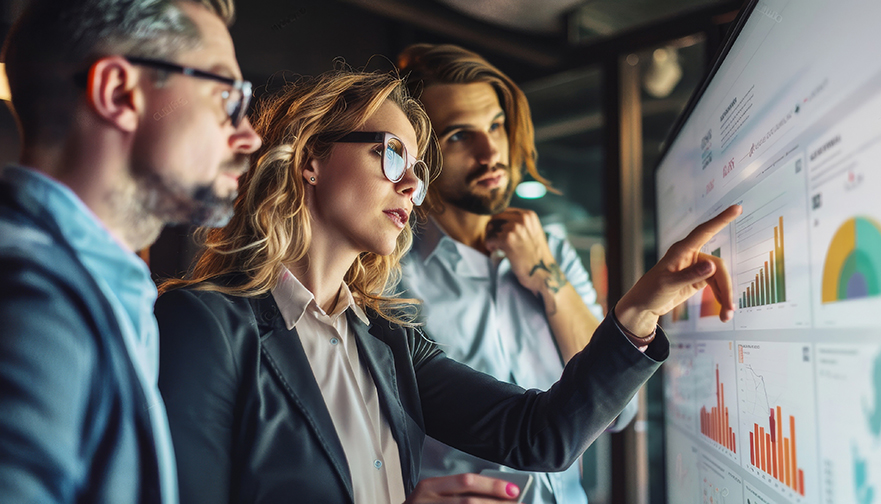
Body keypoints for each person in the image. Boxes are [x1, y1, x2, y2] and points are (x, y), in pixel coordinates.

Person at [154, 67, 740, 503]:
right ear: (311, 158)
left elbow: (540, 436)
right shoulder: (204, 323)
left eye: (417, 166)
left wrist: (640, 309)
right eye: (391, 156)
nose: (413, 183)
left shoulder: (387, 338)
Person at [0, 0, 261, 501]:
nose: (249, 136)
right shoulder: (31, 301)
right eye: (227, 96)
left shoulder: (101, 287)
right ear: (119, 93)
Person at [395, 43, 634, 504]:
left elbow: (617, 410)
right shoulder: (393, 280)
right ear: (419, 155)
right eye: (460, 136)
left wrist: (547, 278)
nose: (490, 152)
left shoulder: (556, 253)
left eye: (496, 126)